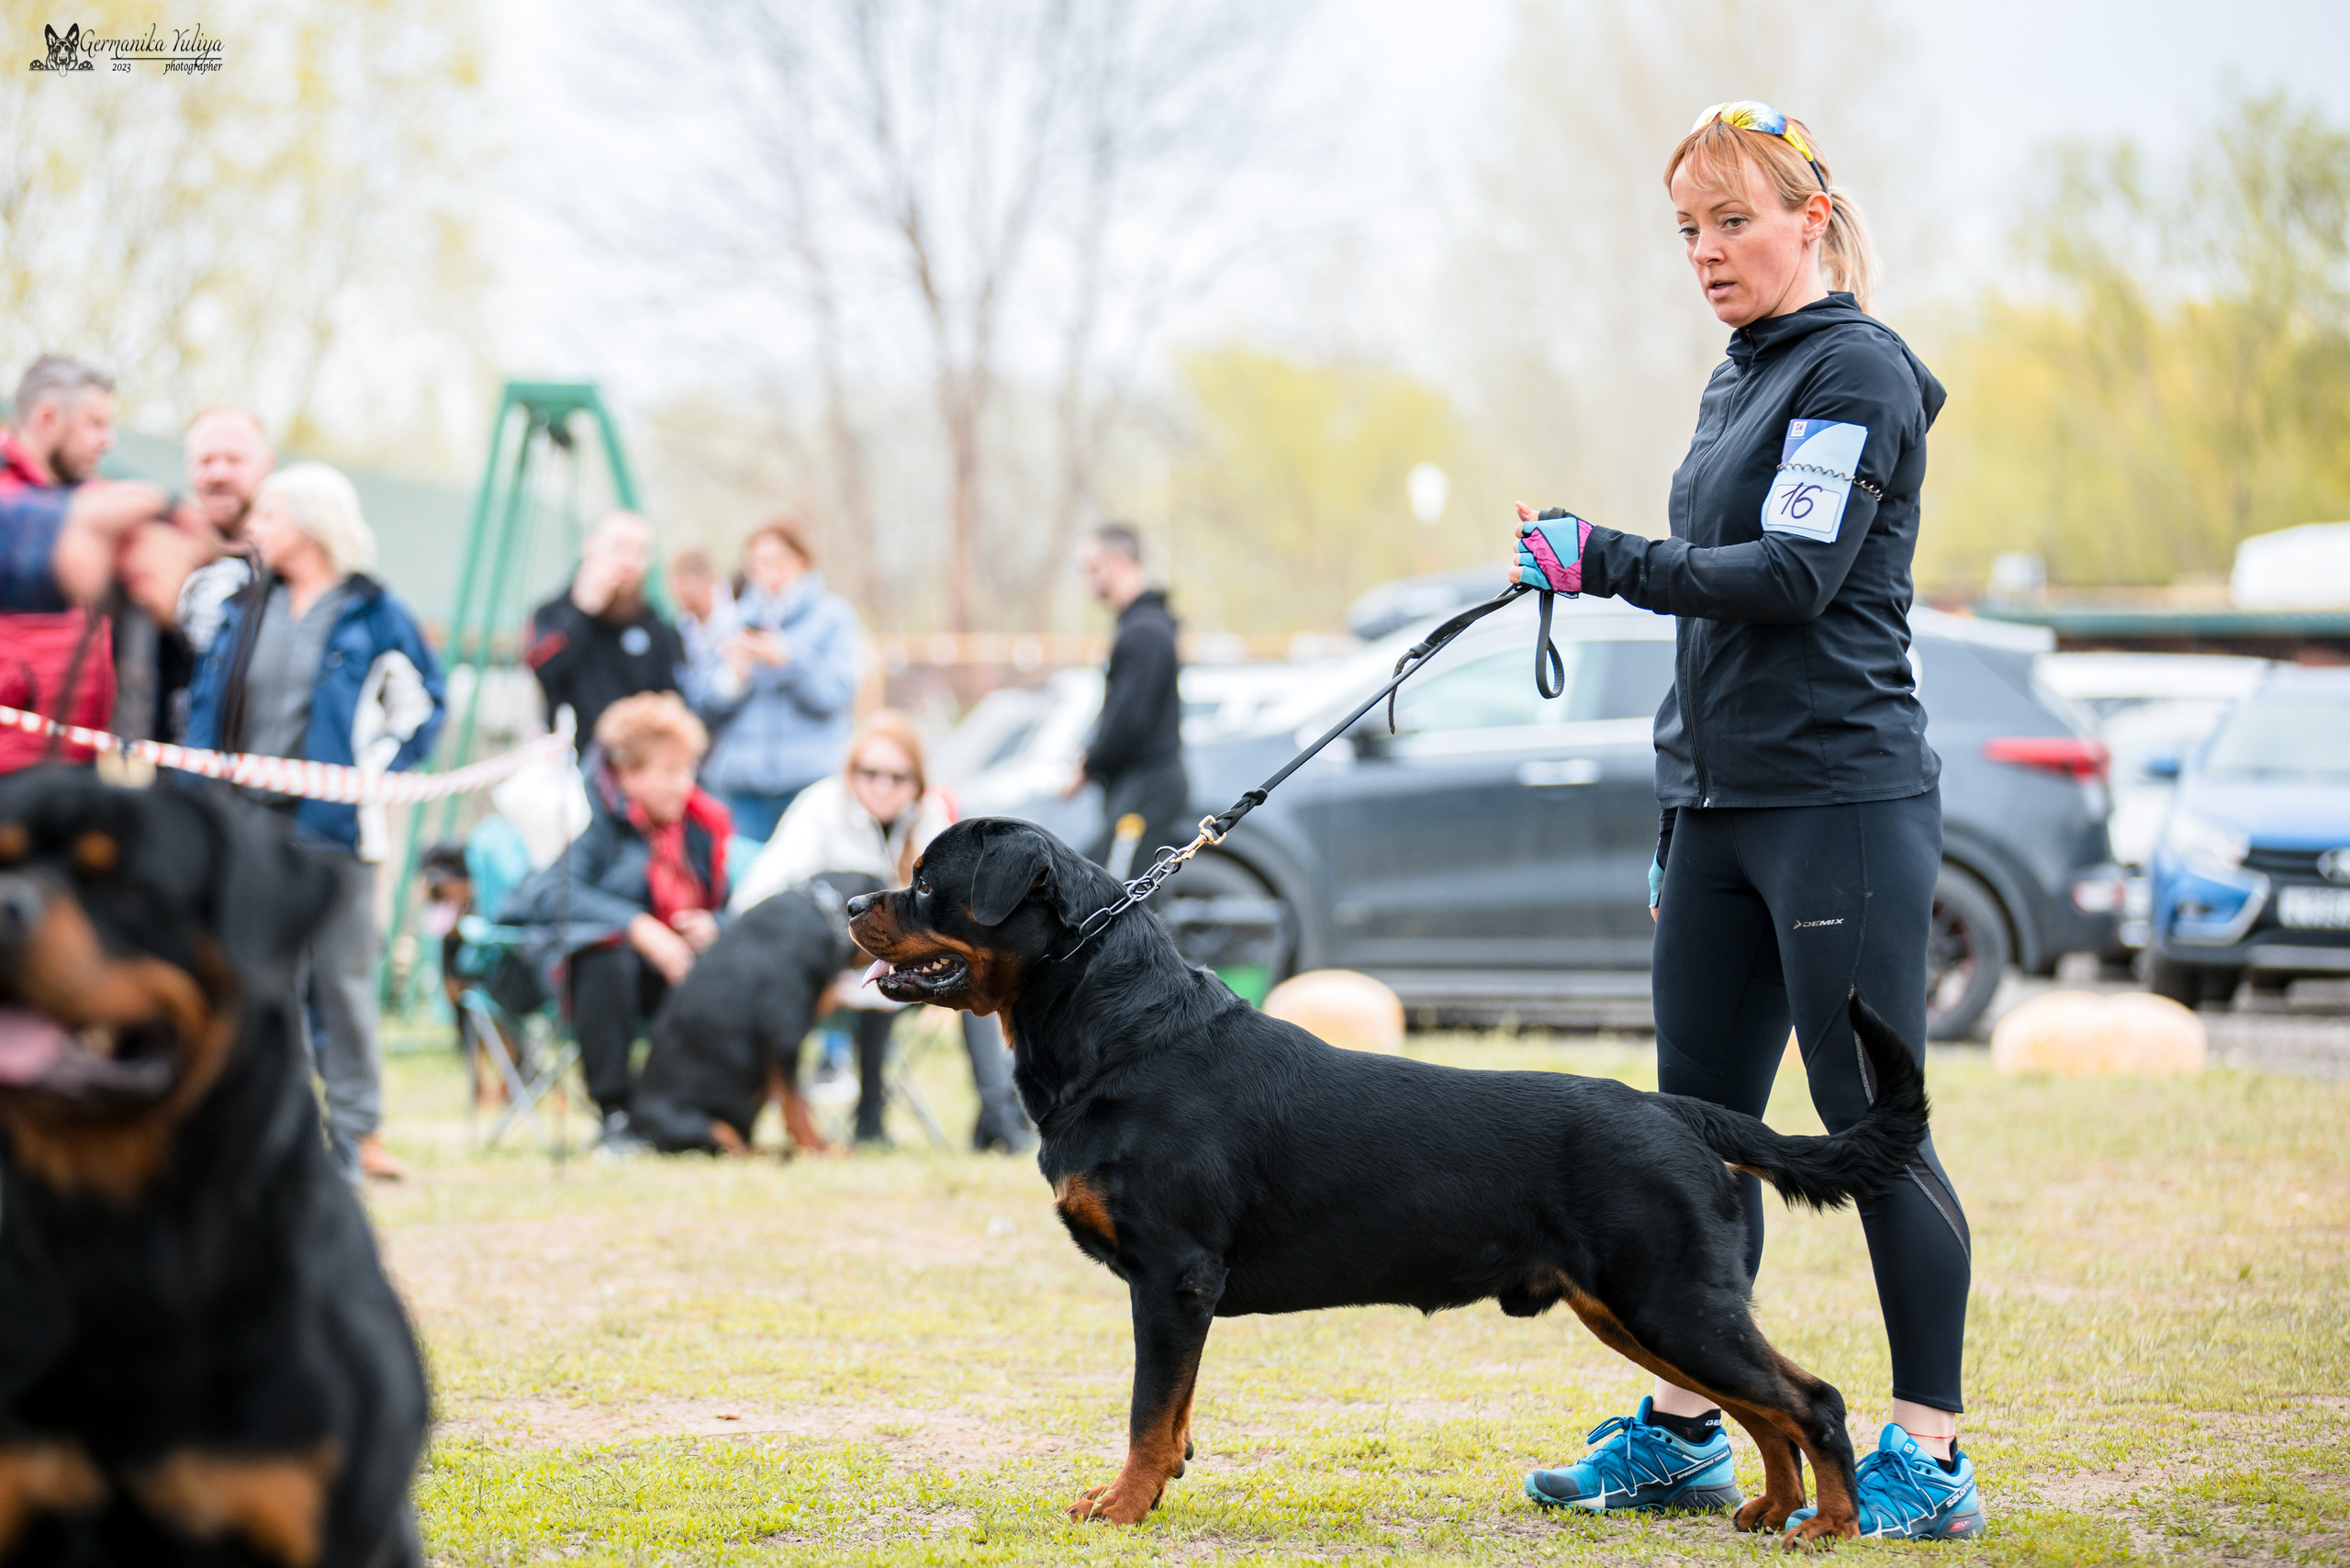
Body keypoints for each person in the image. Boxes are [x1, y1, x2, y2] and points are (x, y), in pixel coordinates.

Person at [1510, 103, 1978, 1541]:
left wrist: (1609, 560)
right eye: (1689, 231)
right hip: (1714, 807)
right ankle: (1688, 1425)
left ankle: (1929, 1457)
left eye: (1733, 221)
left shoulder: (1854, 372)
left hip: (1836, 799)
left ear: (1812, 218)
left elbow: (1788, 575)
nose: (1708, 252)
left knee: (1867, 1125)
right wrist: (1679, 785)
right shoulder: (1745, 375)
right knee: (1689, 1137)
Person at [185, 463, 447, 1185]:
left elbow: (423, 702)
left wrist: (378, 769)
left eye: (268, 517)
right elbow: (202, 699)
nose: (255, 530)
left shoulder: (373, 610)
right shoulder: (242, 604)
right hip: (244, 825)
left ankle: (359, 1132)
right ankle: (282, 1134)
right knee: (260, 983)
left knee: (344, 981)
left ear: (306, 524)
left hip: (334, 828)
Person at [733, 711, 1034, 1151]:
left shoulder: (928, 819)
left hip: (899, 967)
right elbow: (754, 898)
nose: (882, 786)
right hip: (820, 973)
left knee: (979, 970)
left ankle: (1000, 1118)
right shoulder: (820, 807)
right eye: (869, 773)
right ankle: (870, 1120)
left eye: (898, 777)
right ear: (850, 773)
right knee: (880, 967)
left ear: (918, 783)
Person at [499, 691, 733, 1149]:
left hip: (678, 971)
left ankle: (686, 1111)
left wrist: (715, 924)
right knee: (609, 956)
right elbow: (549, 893)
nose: (682, 785)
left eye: (688, 770)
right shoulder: (591, 821)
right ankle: (616, 1113)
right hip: (587, 978)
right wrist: (639, 927)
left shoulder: (701, 829)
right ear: (627, 775)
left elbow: (733, 905)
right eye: (668, 772)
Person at [685, 518, 862, 842]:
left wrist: (789, 661)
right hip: (743, 786)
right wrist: (733, 677)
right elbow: (703, 707)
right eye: (759, 563)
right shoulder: (733, 621)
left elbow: (836, 696)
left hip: (809, 781)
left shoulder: (834, 617)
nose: (770, 571)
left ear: (802, 560)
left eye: (779, 559)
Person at [1, 356, 120, 771]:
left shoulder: (94, 504)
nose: (108, 441)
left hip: (75, 763)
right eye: (96, 424)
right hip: (11, 756)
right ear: (48, 419)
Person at [1065, 524, 1188, 870]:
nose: (1085, 579)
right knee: (1132, 893)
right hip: (1141, 784)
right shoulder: (1142, 625)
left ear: (1118, 561)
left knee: (1123, 896)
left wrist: (1089, 764)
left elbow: (1130, 718)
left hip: (1148, 784)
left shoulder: (1144, 631)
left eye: (1091, 567)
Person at [156, 407, 276, 738]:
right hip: (163, 771)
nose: (218, 474)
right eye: (206, 461)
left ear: (268, 465)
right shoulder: (156, 554)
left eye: (235, 460)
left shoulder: (292, 572)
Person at [523, 510, 687, 744]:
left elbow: (673, 698)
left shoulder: (658, 629)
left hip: (632, 767)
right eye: (619, 548)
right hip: (568, 762)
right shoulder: (552, 614)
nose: (628, 562)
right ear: (590, 548)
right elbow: (542, 670)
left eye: (639, 552)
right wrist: (583, 612)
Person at [668, 546, 732, 669]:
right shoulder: (682, 624)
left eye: (686, 586)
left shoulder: (733, 623)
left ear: (709, 581)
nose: (679, 592)